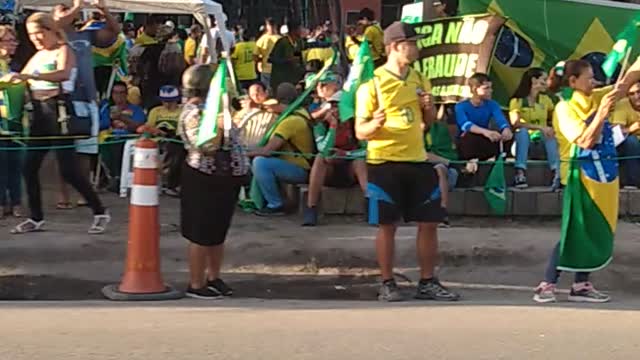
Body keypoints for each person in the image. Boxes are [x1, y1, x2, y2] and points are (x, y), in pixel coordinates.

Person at [355, 21, 459, 302]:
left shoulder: (419, 79)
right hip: (384, 161)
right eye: (412, 43)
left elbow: (428, 122)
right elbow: (359, 131)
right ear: (395, 47)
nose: (416, 48)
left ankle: (427, 281)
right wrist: (374, 124)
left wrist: (429, 109)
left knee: (430, 221)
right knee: (387, 225)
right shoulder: (373, 84)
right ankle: (387, 282)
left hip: (417, 159)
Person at [533, 58, 640, 303]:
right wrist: (602, 114)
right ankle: (547, 283)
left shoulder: (596, 96)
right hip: (578, 174)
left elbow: (624, 84)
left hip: (603, 173)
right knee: (575, 230)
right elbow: (584, 141)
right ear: (573, 81)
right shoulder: (565, 108)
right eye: (589, 77)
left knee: (594, 229)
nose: (594, 81)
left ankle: (581, 284)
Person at [8, 12, 110, 234]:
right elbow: (21, 78)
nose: (36, 39)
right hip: (37, 112)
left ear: (51, 30)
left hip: (59, 110)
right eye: (31, 35)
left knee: (69, 170)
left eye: (39, 34)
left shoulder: (64, 50)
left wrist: (32, 77)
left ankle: (100, 211)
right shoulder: (37, 55)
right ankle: (35, 217)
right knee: (29, 166)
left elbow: (63, 73)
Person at [179, 65, 250, 299]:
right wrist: (219, 125)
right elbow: (205, 146)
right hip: (203, 176)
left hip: (226, 178)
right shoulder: (195, 113)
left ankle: (214, 276)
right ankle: (196, 283)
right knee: (201, 233)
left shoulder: (218, 109)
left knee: (217, 233)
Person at [52, 0, 119, 207]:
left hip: (87, 98)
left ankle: (83, 192)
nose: (67, 12)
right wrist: (78, 6)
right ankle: (64, 195)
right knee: (63, 150)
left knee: (85, 151)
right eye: (63, 9)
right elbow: (57, 22)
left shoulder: (86, 34)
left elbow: (114, 32)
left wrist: (104, 10)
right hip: (63, 99)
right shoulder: (53, 37)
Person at [303, 72, 367, 226]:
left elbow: (367, 150)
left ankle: (373, 207)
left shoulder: (355, 124)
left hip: (350, 169)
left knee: (359, 162)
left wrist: (346, 154)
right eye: (332, 105)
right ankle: (311, 208)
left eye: (338, 105)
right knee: (320, 159)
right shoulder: (320, 125)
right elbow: (323, 149)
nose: (336, 109)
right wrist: (332, 127)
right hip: (329, 171)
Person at [248, 83, 315, 216]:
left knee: (260, 162)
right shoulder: (301, 112)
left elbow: (268, 150)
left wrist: (245, 153)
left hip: (300, 169)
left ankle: (275, 204)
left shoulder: (290, 121)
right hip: (296, 164)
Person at [509, 68, 560, 189]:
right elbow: (515, 123)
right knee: (522, 132)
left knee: (549, 133)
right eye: (544, 79)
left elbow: (557, 117)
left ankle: (557, 172)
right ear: (533, 80)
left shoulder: (546, 100)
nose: (546, 82)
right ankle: (520, 173)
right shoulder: (517, 101)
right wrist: (540, 127)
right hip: (522, 145)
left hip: (542, 144)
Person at [455, 73, 513, 160]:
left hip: (485, 139)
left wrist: (506, 129)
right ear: (475, 89)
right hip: (468, 143)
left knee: (507, 138)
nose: (491, 91)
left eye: (491, 87)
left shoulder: (492, 104)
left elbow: (500, 120)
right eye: (486, 88)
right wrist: (485, 132)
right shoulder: (461, 106)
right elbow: (465, 125)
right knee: (469, 137)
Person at [100, 81, 146, 189]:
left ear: (126, 94)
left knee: (118, 146)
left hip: (128, 139)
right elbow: (101, 124)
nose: (119, 96)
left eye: (121, 93)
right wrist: (109, 118)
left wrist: (122, 117)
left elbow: (138, 126)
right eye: (115, 93)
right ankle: (108, 177)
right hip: (109, 138)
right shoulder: (107, 108)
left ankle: (117, 178)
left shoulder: (135, 109)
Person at [0, 25, 24, 219]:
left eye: (14, 40)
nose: (13, 44)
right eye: (9, 40)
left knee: (16, 163)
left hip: (15, 121)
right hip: (1, 122)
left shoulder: (12, 65)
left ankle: (16, 202)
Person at [147, 85, 184, 196]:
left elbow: (181, 130)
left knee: (177, 148)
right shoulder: (155, 111)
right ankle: (169, 183)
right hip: (157, 140)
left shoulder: (182, 111)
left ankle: (171, 184)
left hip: (175, 140)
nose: (167, 104)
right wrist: (157, 131)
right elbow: (149, 127)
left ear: (177, 100)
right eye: (164, 101)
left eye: (171, 101)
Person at [610, 81, 640, 189]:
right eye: (632, 94)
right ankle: (632, 183)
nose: (636, 96)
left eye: (638, 92)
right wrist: (631, 129)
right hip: (624, 145)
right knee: (631, 141)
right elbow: (615, 132)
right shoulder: (623, 105)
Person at [269, 20, 305, 93]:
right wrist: (287, 60)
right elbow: (271, 59)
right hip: (281, 80)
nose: (302, 31)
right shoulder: (282, 42)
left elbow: (297, 58)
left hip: (294, 79)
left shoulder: (299, 42)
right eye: (300, 29)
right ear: (294, 30)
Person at [255, 18, 280, 90]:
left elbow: (255, 56)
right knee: (277, 89)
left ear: (266, 26)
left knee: (266, 89)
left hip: (266, 70)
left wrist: (260, 62)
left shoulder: (262, 39)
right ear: (275, 26)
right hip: (278, 70)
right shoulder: (281, 39)